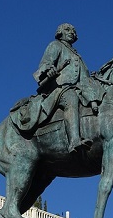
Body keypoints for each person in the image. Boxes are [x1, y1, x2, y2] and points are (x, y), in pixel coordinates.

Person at [33, 23, 101, 152]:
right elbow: (45, 63)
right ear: (60, 32)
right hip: (60, 88)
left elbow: (83, 75)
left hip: (80, 88)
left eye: (74, 31)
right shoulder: (56, 45)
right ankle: (74, 141)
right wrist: (49, 69)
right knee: (71, 99)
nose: (72, 32)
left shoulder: (76, 54)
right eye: (68, 30)